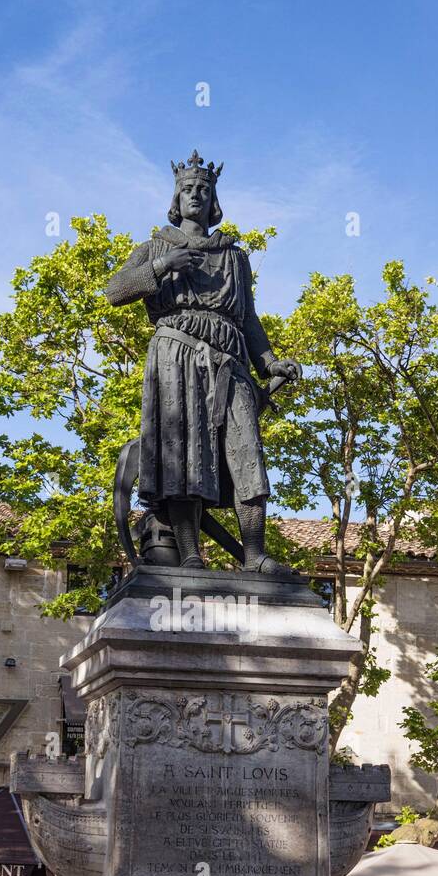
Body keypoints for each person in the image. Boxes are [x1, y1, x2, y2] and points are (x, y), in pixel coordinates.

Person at [105, 151, 301, 573]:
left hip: (230, 362)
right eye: (187, 189)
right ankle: (191, 555)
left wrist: (268, 363)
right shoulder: (154, 246)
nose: (195, 194)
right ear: (176, 199)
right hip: (176, 354)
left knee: (247, 453)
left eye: (204, 189)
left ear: (214, 201)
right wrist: (161, 267)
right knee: (184, 454)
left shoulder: (235, 256)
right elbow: (115, 291)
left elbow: (248, 318)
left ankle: (254, 555)